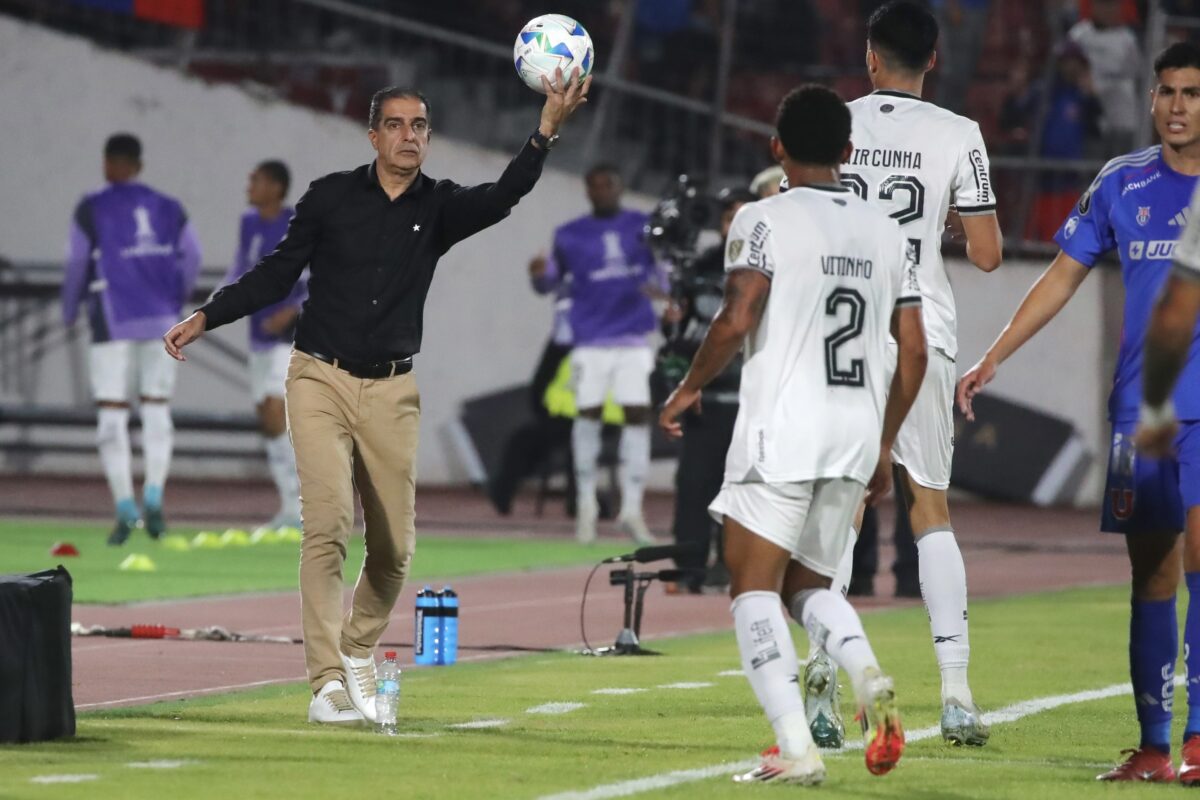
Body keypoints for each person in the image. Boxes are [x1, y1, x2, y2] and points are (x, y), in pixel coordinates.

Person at [164, 74, 591, 726]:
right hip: (319, 378)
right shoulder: (331, 197)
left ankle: (358, 645)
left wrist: (546, 130)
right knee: (327, 526)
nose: (409, 136)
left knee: (394, 549)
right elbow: (279, 271)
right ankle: (326, 683)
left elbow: (507, 194)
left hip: (392, 389)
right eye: (395, 124)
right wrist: (208, 315)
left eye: (419, 126)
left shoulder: (441, 207)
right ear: (373, 135)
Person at [660, 83, 926, 786]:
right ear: (847, 151)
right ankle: (867, 677)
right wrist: (885, 442)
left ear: (776, 147)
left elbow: (737, 316)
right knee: (809, 586)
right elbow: (916, 351)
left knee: (752, 588)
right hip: (853, 430)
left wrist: (689, 386)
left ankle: (794, 747)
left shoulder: (761, 217)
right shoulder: (885, 228)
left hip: (783, 428)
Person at [957, 42, 1200, 783]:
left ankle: (1199, 745)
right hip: (1145, 410)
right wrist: (995, 354)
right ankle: (1156, 745)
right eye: (1167, 91)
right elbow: (1062, 279)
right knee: (1152, 574)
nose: (1178, 105)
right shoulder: (1122, 183)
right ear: (1151, 99)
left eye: (1193, 91)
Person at [808, 0, 1003, 750]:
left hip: (847, 328)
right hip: (925, 326)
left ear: (870, 57)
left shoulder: (834, 122)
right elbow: (987, 254)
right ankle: (955, 694)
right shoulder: (959, 134)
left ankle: (821, 696)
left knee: (841, 509)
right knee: (929, 508)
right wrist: (942, 223)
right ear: (934, 62)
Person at [61, 133, 202, 546]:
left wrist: (70, 310)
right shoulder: (169, 207)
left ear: (107, 164)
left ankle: (125, 508)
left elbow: (75, 261)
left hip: (111, 317)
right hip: (161, 316)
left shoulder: (92, 207)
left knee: (112, 413)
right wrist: (176, 296)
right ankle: (154, 494)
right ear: (138, 165)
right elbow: (191, 254)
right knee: (157, 408)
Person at [538, 164, 664, 545]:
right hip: (590, 340)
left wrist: (665, 292)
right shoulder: (569, 234)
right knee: (588, 417)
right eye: (594, 186)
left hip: (631, 340)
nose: (601, 191)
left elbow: (664, 273)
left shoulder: (643, 228)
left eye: (607, 184)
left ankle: (632, 508)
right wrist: (536, 274)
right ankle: (588, 507)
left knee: (637, 417)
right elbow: (549, 282)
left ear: (620, 186)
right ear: (586, 191)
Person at [665, 187, 756, 593]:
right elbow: (678, 336)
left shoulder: (773, 267)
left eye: (742, 216)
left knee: (746, 491)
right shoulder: (699, 267)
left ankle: (737, 569)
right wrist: (673, 321)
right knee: (694, 485)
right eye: (727, 217)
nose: (733, 225)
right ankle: (689, 568)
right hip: (707, 398)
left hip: (754, 399)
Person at [219, 160, 306, 530]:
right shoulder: (249, 224)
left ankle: (306, 507)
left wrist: (292, 311)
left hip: (291, 334)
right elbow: (239, 271)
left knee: (275, 410)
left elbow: (321, 274)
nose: (248, 186)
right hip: (258, 334)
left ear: (275, 187)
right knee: (269, 423)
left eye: (255, 180)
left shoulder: (297, 225)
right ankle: (290, 508)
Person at [1069, 0, 1142, 156]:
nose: (1109, 10)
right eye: (1103, 4)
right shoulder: (1079, 35)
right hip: (1089, 116)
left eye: (1113, 5)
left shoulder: (1127, 38)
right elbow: (1068, 69)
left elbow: (1137, 75)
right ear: (1093, 6)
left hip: (1122, 118)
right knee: (1092, 170)